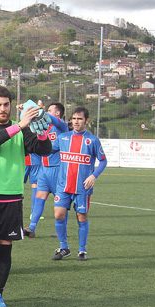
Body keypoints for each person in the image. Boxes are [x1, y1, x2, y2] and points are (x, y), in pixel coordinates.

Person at [0, 86, 51, 307]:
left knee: (5, 247)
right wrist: (21, 125)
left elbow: (42, 149)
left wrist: (42, 133)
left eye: (6, 104)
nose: (3, 109)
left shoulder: (23, 131)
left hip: (11, 198)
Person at [52, 107, 107, 261]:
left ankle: (82, 250)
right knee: (58, 215)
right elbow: (48, 149)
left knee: (81, 217)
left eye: (80, 119)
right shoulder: (63, 138)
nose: (76, 121)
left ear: (86, 121)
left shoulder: (92, 140)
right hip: (63, 186)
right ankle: (64, 247)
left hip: (82, 187)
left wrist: (94, 175)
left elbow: (103, 160)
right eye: (74, 118)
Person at [22, 102, 69, 237]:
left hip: (58, 170)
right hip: (44, 170)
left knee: (61, 202)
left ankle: (62, 231)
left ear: (57, 113)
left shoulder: (61, 126)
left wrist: (40, 111)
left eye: (50, 110)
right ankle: (31, 228)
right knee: (39, 198)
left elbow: (53, 120)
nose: (47, 112)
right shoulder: (44, 128)